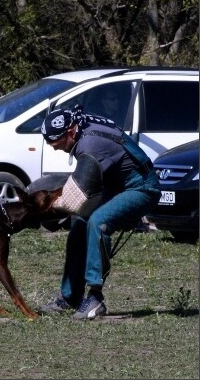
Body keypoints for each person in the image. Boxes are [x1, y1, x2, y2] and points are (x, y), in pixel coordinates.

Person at [38, 105, 160, 320]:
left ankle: (95, 298)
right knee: (79, 227)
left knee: (98, 222)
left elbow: (78, 197)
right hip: (117, 187)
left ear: (71, 132)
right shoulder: (82, 130)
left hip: (141, 188)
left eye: (56, 142)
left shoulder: (90, 144)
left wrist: (42, 209)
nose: (54, 148)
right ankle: (70, 297)